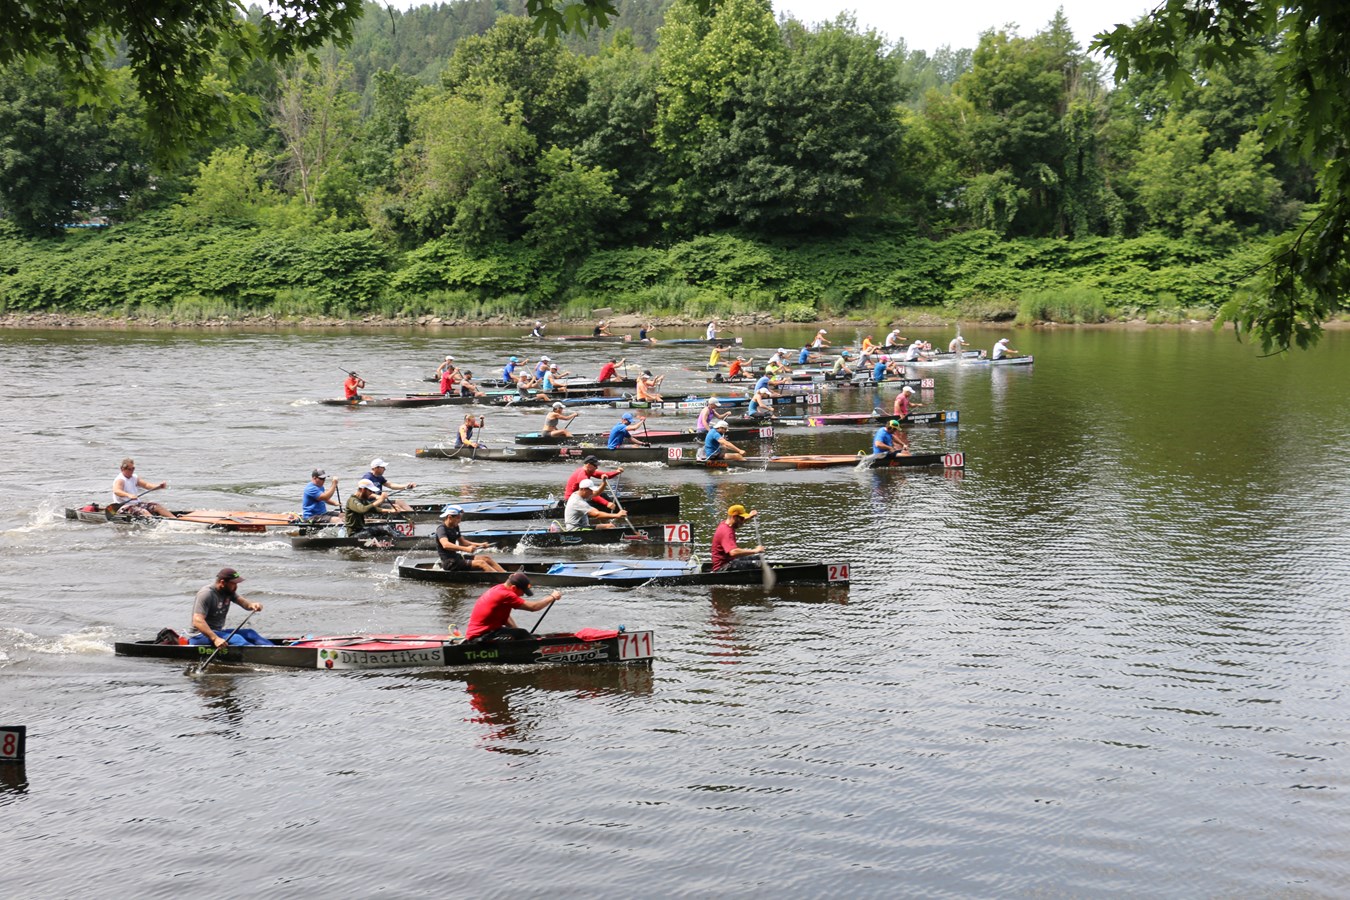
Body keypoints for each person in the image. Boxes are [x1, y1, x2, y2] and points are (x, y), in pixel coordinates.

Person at [464, 572, 561, 643]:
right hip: (480, 637)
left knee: (521, 633)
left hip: (483, 633)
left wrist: (516, 631)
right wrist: (552, 597)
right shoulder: (506, 594)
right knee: (522, 634)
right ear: (514, 588)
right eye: (522, 592)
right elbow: (533, 607)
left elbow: (505, 618)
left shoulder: (498, 588)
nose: (522, 595)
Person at [189, 568, 272, 647]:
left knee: (250, 633)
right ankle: (260, 654)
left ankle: (274, 649)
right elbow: (197, 620)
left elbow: (245, 603)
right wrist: (215, 639)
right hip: (200, 635)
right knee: (237, 638)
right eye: (234, 583)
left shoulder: (228, 592)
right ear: (222, 582)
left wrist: (253, 605)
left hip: (218, 632)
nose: (236, 587)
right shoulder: (206, 594)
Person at [435, 505, 506, 573]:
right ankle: (501, 579)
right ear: (450, 517)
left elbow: (463, 542)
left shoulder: (455, 527)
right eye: (458, 518)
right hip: (449, 563)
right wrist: (466, 549)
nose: (460, 521)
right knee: (481, 563)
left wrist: (480, 545)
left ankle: (505, 574)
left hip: (457, 558)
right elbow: (445, 545)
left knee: (486, 558)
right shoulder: (441, 529)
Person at [112, 458, 178, 518]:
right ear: (122, 469)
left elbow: (146, 485)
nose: (132, 471)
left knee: (156, 506)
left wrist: (159, 486)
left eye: (133, 468)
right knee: (143, 511)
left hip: (136, 504)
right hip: (124, 506)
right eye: (129, 469)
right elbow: (117, 491)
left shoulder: (134, 477)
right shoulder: (120, 480)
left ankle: (175, 519)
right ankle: (155, 522)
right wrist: (129, 495)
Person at [711, 505, 766, 572]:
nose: (742, 521)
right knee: (758, 564)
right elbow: (733, 552)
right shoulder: (727, 532)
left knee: (758, 558)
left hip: (730, 560)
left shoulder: (726, 524)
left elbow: (738, 522)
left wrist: (750, 516)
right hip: (722, 567)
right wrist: (755, 550)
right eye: (741, 518)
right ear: (734, 517)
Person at [565, 479, 629, 529]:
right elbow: (597, 514)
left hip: (584, 527)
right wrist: (617, 515)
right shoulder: (578, 502)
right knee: (609, 528)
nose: (592, 492)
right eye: (591, 490)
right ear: (584, 489)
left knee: (610, 526)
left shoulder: (579, 493)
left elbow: (596, 493)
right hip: (575, 530)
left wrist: (604, 483)